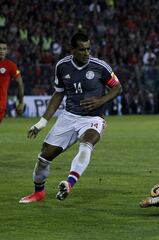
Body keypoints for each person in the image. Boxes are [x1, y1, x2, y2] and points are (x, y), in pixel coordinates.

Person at [19, 32, 122, 203]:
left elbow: (117, 88)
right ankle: (38, 193)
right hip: (69, 116)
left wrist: (101, 100)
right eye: (82, 50)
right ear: (72, 49)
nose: (86, 53)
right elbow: (58, 95)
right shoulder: (62, 66)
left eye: (88, 49)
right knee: (44, 157)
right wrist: (41, 122)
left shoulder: (100, 66)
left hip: (93, 118)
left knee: (87, 144)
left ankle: (69, 183)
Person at [0, 39, 24, 123]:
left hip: (1, 104)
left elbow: (20, 83)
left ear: (7, 51)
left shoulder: (11, 66)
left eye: (4, 49)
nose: (1, 51)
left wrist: (21, 103)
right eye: (0, 48)